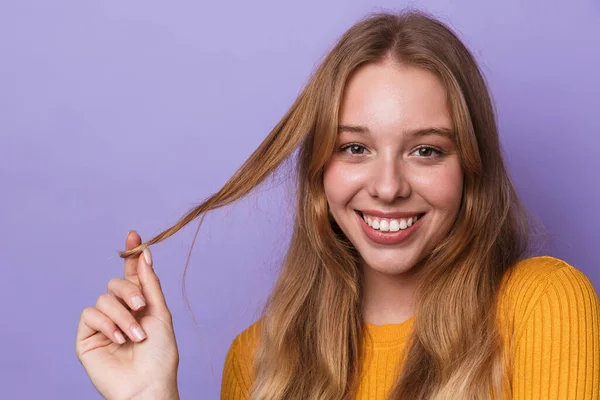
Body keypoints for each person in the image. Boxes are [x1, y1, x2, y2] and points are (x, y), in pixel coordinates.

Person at [75, 9, 600, 400]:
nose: (388, 186)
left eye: (426, 150)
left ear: (470, 169)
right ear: (318, 172)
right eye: (355, 148)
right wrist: (150, 396)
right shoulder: (257, 363)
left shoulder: (543, 307)